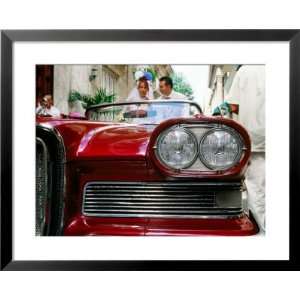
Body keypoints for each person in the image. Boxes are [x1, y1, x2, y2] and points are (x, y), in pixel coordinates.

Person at [226, 65, 265, 232]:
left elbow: (233, 106)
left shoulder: (244, 70)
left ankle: (265, 230)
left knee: (257, 187)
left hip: (256, 136)